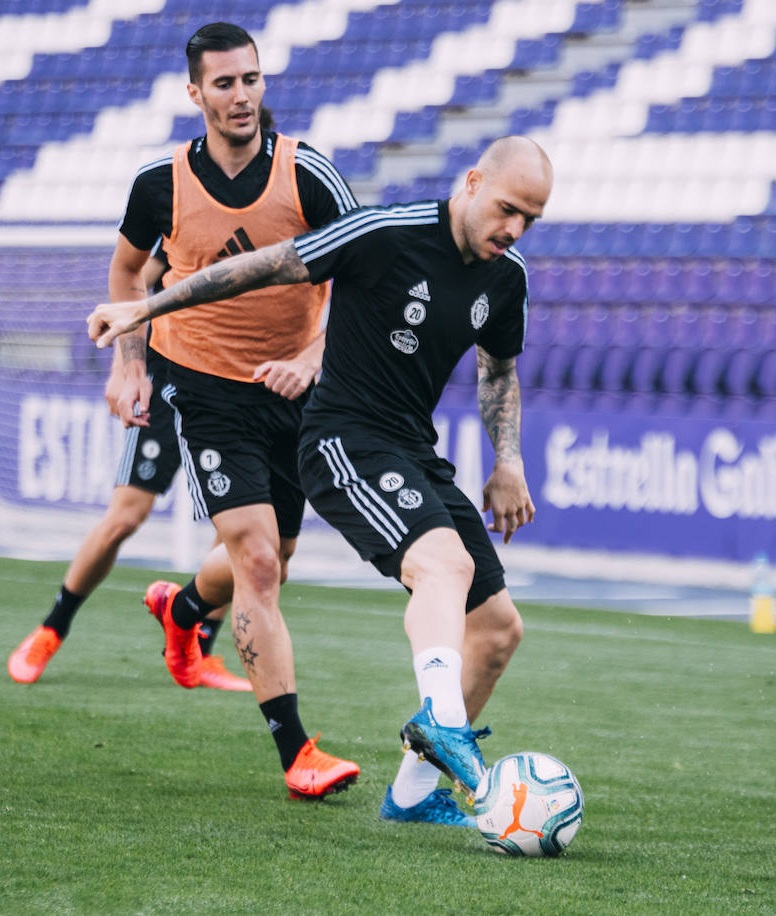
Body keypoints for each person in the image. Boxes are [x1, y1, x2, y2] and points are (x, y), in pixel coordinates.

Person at [89, 135, 553, 827]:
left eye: (530, 220)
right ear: (473, 181)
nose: (513, 229)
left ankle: (411, 796)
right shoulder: (385, 232)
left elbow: (498, 370)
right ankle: (443, 722)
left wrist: (507, 462)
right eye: (508, 209)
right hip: (342, 439)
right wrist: (145, 309)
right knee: (444, 567)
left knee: (497, 630)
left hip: (412, 451)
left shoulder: (505, 276)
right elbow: (258, 268)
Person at [98, 21, 363, 801]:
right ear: (195, 94)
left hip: (290, 385)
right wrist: (131, 361)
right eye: (224, 83)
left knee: (273, 560)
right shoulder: (160, 184)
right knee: (254, 564)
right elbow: (126, 269)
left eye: (250, 80)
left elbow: (362, 269)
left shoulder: (310, 175)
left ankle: (182, 609)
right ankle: (297, 753)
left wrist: (315, 358)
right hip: (202, 382)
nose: (240, 95)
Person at [8, 256, 251, 692]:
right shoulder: (182, 205)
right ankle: (51, 629)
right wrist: (124, 369)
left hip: (232, 389)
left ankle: (203, 650)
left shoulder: (274, 207)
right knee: (124, 518)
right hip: (166, 383)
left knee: (239, 521)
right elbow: (134, 282)